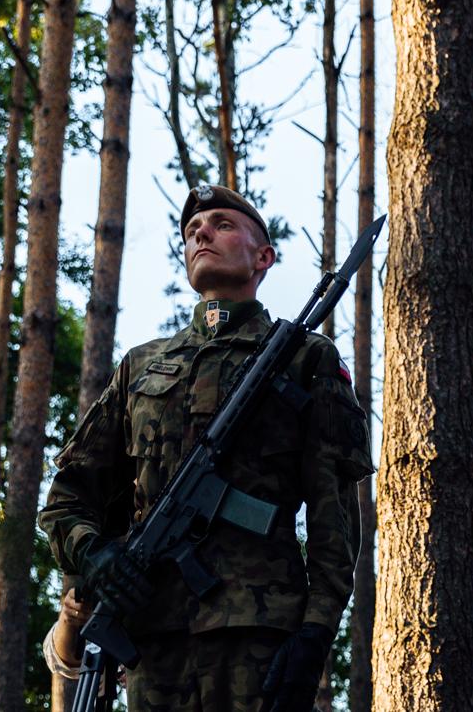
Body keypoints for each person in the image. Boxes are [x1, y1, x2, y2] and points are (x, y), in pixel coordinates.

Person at [39, 184, 373, 712]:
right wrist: (98, 557)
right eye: (193, 230)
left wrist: (315, 633)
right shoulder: (141, 366)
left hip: (258, 638)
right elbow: (69, 496)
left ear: (263, 257)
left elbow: (335, 518)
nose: (201, 234)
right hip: (154, 645)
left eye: (222, 225)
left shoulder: (305, 358)